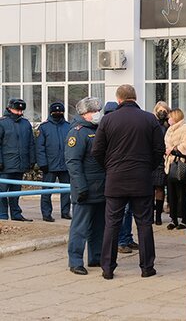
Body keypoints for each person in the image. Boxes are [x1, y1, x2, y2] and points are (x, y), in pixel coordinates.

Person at [93, 84, 165, 280]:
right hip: (142, 179)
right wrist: (147, 167)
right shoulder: (149, 119)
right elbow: (159, 149)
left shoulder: (108, 119)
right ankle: (147, 267)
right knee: (144, 224)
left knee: (112, 224)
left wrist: (110, 167)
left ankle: (108, 268)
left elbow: (97, 150)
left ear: (119, 99)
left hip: (115, 179)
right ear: (135, 97)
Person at [65, 97, 106, 275]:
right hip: (85, 189)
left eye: (98, 111)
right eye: (94, 111)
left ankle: (96, 257)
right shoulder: (77, 132)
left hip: (101, 187)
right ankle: (75, 261)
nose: (97, 114)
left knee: (99, 226)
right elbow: (73, 162)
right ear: (84, 113)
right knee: (80, 228)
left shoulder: (98, 130)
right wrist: (81, 187)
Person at [102, 101, 138, 255]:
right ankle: (121, 241)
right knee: (121, 212)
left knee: (128, 211)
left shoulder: (117, 127)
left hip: (121, 174)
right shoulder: (106, 128)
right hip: (114, 176)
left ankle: (127, 238)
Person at [0, 98, 35, 221]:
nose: (19, 113)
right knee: (2, 192)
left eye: (21, 110)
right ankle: (2, 215)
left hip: (20, 164)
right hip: (5, 165)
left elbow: (31, 143)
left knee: (16, 192)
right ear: (9, 108)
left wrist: (32, 160)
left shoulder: (25, 124)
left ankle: (16, 214)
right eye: (17, 110)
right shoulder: (2, 123)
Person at [37, 102, 71, 222]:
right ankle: (46, 213)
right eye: (55, 112)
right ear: (51, 113)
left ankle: (65, 212)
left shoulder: (68, 126)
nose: (58, 113)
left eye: (60, 112)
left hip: (65, 164)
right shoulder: (44, 127)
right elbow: (40, 147)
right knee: (47, 191)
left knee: (66, 190)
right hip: (49, 165)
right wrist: (42, 163)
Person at [164, 108, 186, 230]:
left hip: (182, 163)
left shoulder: (185, 129)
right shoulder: (169, 130)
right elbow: (166, 144)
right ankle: (173, 218)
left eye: (170, 117)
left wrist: (174, 149)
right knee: (171, 194)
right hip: (170, 164)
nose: (168, 119)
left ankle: (184, 219)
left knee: (183, 193)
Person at [152, 101, 170, 225]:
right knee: (149, 189)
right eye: (160, 110)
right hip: (151, 158)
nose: (162, 112)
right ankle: (150, 214)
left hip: (162, 159)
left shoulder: (168, 126)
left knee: (159, 188)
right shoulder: (151, 123)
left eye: (164, 110)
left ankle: (158, 215)